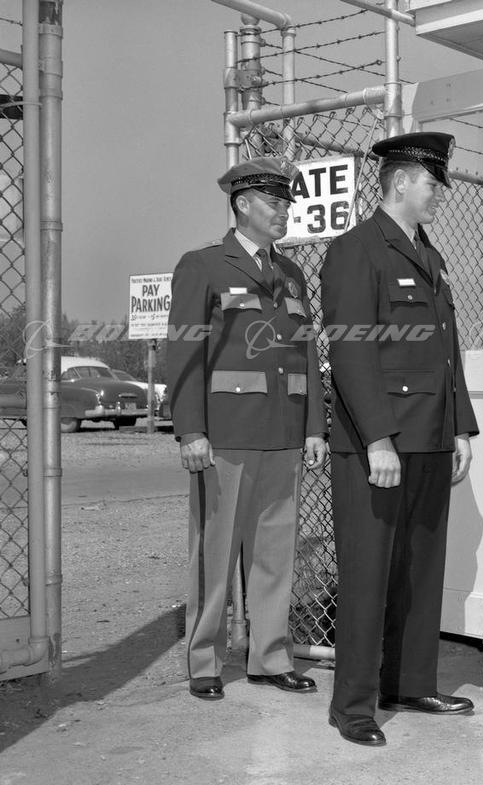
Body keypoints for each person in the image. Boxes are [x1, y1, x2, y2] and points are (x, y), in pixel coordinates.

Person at [320, 131, 479, 747]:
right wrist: (378, 440)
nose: (439, 194)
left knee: (419, 568)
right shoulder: (356, 250)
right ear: (401, 181)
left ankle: (409, 683)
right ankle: (353, 706)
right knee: (368, 574)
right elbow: (351, 353)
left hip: (431, 438)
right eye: (433, 183)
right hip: (379, 444)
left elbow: (446, 352)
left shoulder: (427, 254)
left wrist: (459, 425)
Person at [166, 157, 329, 701]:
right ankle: (205, 661)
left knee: (275, 553)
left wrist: (314, 427)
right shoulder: (204, 266)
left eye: (287, 203)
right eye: (274, 202)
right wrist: (191, 430)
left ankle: (270, 658)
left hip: (284, 434)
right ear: (242, 203)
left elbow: (306, 353)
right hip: (225, 435)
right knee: (214, 553)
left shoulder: (292, 274)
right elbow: (184, 354)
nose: (284, 211)